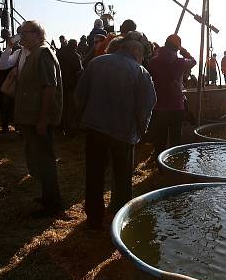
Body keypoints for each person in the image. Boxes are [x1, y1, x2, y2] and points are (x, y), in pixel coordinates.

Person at [75, 36, 156, 229]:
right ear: (137, 52)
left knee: (94, 175)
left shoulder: (96, 63)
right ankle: (120, 221)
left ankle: (94, 219)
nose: (143, 59)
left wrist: (82, 119)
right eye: (142, 55)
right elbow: (146, 106)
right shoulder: (140, 71)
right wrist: (141, 130)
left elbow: (79, 95)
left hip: (94, 129)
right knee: (122, 179)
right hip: (124, 133)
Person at [13, 21, 64, 217]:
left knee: (46, 161)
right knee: (41, 160)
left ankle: (53, 203)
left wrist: (43, 120)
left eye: (23, 32)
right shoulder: (35, 53)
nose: (20, 36)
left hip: (38, 121)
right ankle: (47, 197)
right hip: (33, 119)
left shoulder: (43, 54)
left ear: (37, 34)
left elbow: (49, 88)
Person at [148, 34, 197, 160]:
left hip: (159, 106)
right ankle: (174, 164)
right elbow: (194, 61)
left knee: (161, 137)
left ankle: (159, 164)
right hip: (177, 105)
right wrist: (184, 51)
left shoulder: (153, 62)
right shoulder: (181, 62)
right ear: (177, 48)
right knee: (175, 137)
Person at [57, 38, 82, 136]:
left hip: (60, 83)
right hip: (71, 85)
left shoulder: (59, 54)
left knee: (61, 105)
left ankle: (59, 126)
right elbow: (79, 70)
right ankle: (69, 128)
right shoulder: (75, 56)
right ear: (74, 46)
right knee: (70, 107)